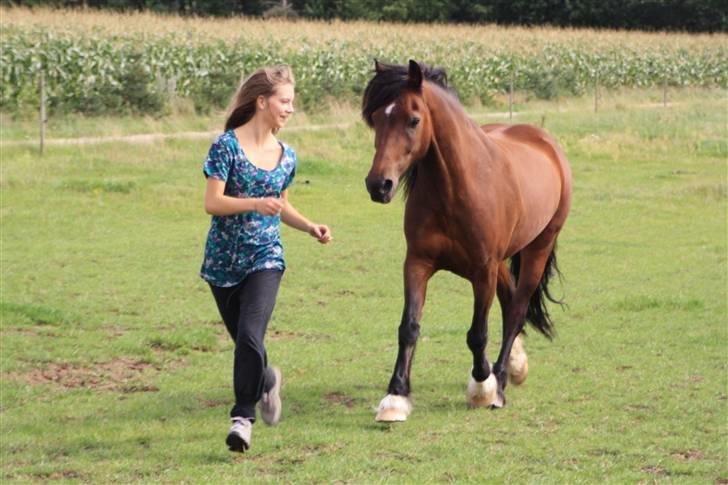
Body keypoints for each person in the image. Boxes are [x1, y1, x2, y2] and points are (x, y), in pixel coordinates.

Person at [200, 64, 332, 453]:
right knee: (247, 346)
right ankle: (266, 383)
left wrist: (309, 226)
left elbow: (282, 207)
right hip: (222, 264)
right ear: (262, 102)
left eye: (292, 102)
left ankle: (242, 420)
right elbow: (212, 202)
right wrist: (256, 203)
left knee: (249, 335)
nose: (290, 109)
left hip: (265, 258)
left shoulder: (286, 157)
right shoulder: (225, 146)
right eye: (285, 101)